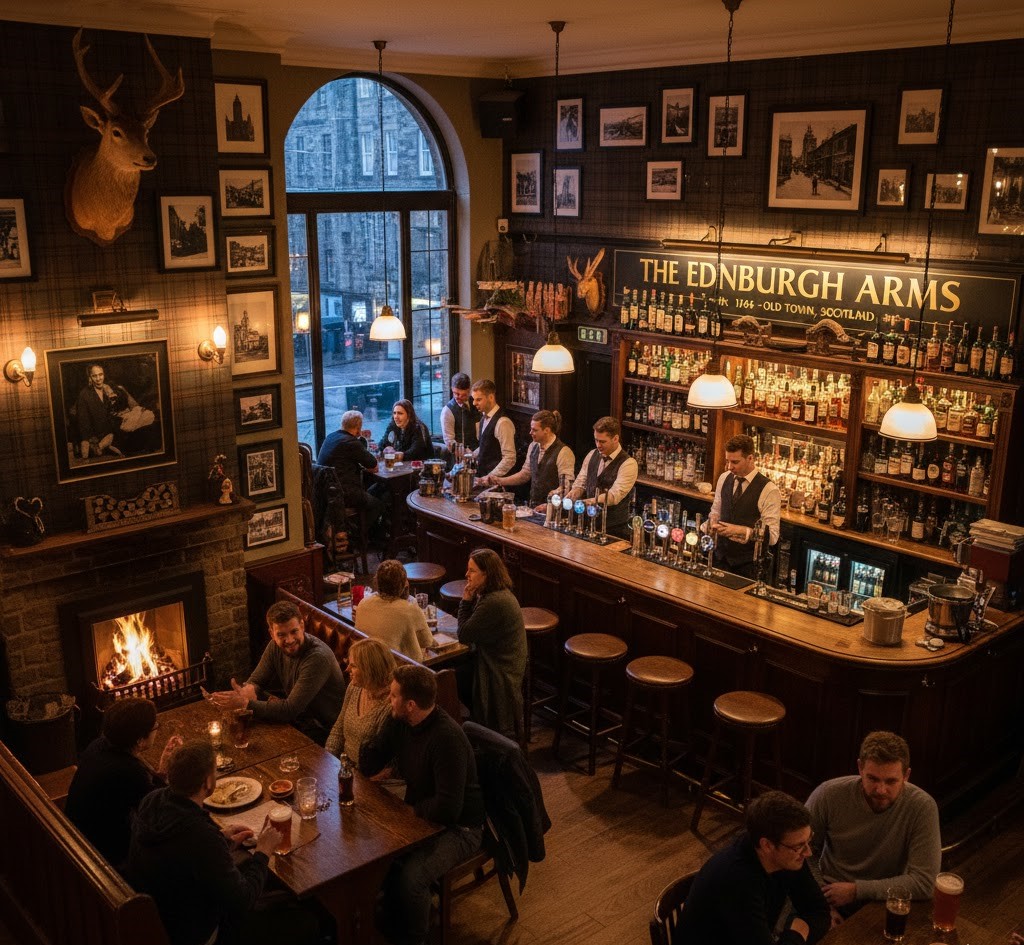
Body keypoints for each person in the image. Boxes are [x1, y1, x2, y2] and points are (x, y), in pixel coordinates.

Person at [128, 740, 320, 945]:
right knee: (308, 921)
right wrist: (263, 851)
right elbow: (243, 899)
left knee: (248, 866)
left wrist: (222, 837)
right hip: (201, 932)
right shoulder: (199, 836)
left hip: (165, 913)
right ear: (207, 783)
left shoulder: (153, 800)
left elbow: (186, 854)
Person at [362, 664, 485, 945]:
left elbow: (449, 808)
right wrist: (381, 725)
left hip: (461, 828)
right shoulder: (401, 722)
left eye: (392, 696)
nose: (387, 700)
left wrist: (409, 811)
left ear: (411, 705)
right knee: (375, 860)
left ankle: (416, 939)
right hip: (422, 816)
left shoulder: (447, 739)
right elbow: (370, 763)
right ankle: (383, 927)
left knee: (412, 878)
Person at [806, 731, 940, 922]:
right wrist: (821, 904)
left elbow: (925, 882)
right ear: (860, 768)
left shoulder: (922, 807)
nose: (881, 790)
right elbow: (802, 853)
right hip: (830, 894)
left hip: (885, 898)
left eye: (891, 781)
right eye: (873, 779)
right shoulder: (828, 794)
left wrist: (857, 891)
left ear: (906, 775)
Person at [677, 790, 830, 945]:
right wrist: (798, 932)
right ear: (767, 845)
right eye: (799, 846)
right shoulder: (737, 881)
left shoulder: (788, 856)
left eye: (808, 840)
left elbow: (820, 912)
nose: (808, 852)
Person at [65, 697, 182, 869]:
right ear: (140, 740)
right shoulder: (127, 771)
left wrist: (162, 771)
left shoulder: (98, 746)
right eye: (155, 726)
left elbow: (144, 792)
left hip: (77, 839)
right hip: (105, 860)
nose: (157, 728)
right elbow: (165, 810)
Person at [210, 599, 346, 745]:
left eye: (294, 631)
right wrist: (247, 690)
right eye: (281, 635)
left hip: (324, 732)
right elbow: (256, 680)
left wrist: (245, 703)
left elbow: (290, 710)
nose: (289, 640)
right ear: (272, 633)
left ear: (302, 625)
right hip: (299, 722)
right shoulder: (274, 647)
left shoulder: (317, 657)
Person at [456, 547, 526, 740]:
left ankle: (472, 734)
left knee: (450, 678)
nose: (466, 574)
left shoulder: (494, 602)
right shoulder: (494, 595)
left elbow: (464, 633)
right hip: (491, 658)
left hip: (500, 670)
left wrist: (465, 601)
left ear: (486, 574)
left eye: (472, 570)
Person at [708, 433, 782, 579]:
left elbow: (772, 536)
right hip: (719, 559)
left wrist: (743, 532)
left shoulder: (769, 490)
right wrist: (709, 525)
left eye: (735, 462)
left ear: (750, 458)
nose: (729, 467)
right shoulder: (724, 478)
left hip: (748, 567)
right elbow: (715, 511)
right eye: (727, 461)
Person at [325, 638, 396, 770]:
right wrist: (328, 759)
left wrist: (351, 773)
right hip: (344, 766)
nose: (347, 669)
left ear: (370, 669)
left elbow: (383, 763)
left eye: (353, 666)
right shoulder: (355, 687)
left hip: (369, 776)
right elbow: (338, 730)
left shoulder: (390, 705)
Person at [485, 409, 576, 511]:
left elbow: (567, 486)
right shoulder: (533, 446)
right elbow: (525, 474)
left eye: (535, 430)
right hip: (533, 508)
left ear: (547, 430)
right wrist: (500, 481)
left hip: (554, 512)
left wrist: (551, 503)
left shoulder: (564, 452)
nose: (530, 432)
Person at [566, 416, 638, 539]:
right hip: (588, 524)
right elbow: (581, 481)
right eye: (596, 440)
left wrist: (592, 500)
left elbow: (614, 495)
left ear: (615, 438)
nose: (598, 445)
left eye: (602, 441)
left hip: (613, 529)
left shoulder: (629, 464)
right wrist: (574, 491)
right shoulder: (591, 455)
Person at [315, 409, 385, 533]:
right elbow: (374, 466)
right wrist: (361, 437)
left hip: (326, 492)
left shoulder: (331, 437)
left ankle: (362, 533)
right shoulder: (351, 443)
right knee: (377, 504)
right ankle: (358, 534)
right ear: (358, 428)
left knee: (376, 490)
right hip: (344, 493)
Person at [354, 559, 434, 661]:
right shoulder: (409, 609)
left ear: (377, 582)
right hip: (397, 669)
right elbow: (427, 641)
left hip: (368, 663)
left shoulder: (363, 603)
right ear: (405, 583)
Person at [75, 362, 156, 460]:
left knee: (147, 417)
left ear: (104, 374)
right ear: (89, 377)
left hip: (116, 423)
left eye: (101, 374)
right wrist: (86, 439)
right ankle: (106, 444)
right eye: (94, 376)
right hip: (101, 430)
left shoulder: (109, 388)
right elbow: (84, 420)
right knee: (128, 431)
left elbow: (122, 404)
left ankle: (111, 445)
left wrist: (120, 402)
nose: (98, 379)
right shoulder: (84, 395)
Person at [470, 378, 516, 479]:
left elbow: (509, 458)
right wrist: (470, 456)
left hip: (497, 483)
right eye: (473, 399)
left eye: (478, 399)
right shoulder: (483, 417)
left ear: (491, 397)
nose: (474, 403)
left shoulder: (503, 422)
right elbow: (486, 446)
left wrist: (490, 477)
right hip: (483, 478)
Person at [440, 372, 481, 457]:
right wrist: (468, 454)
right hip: (460, 458)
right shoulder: (447, 411)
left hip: (479, 453)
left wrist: (479, 451)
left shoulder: (476, 403)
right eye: (456, 393)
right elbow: (449, 441)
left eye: (464, 395)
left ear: (469, 390)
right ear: (452, 388)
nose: (459, 397)